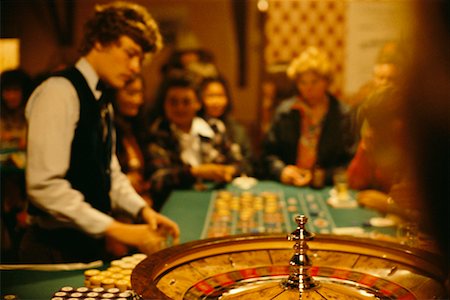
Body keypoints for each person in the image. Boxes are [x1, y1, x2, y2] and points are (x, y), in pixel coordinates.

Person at [20, 2, 179, 264]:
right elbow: (44, 188)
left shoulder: (102, 98)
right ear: (101, 41)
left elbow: (109, 173)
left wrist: (141, 210)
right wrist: (118, 229)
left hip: (87, 245)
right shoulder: (59, 92)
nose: (136, 67)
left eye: (140, 59)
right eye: (130, 53)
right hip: (52, 248)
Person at [144, 74, 244, 210]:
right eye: (173, 102)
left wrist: (226, 171)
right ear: (164, 105)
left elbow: (238, 162)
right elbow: (157, 180)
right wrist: (196, 172)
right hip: (176, 206)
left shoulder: (214, 127)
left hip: (215, 202)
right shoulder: (158, 134)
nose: (180, 108)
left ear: (198, 103)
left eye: (186, 102)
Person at [261, 47, 354, 186]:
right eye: (302, 82)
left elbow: (351, 162)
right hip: (290, 184)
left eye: (314, 81)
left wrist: (323, 176)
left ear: (326, 81)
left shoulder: (344, 115)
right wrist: (282, 171)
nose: (308, 88)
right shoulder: (285, 112)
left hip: (326, 188)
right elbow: (267, 154)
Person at [198, 76, 254, 175]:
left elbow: (249, 163)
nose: (216, 102)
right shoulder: (194, 126)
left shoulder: (236, 128)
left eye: (220, 96)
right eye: (211, 96)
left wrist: (232, 170)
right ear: (200, 98)